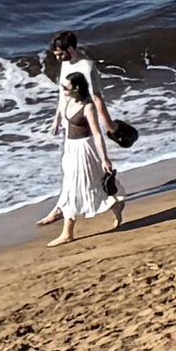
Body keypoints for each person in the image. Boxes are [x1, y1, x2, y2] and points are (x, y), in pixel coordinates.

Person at [49, 51, 125, 243]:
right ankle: (115, 203)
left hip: (85, 149)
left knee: (75, 188)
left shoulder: (87, 107)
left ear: (75, 88)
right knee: (75, 185)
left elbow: (97, 134)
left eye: (66, 88)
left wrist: (105, 158)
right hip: (70, 149)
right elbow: (64, 115)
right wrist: (56, 120)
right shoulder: (67, 101)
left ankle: (67, 233)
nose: (63, 91)